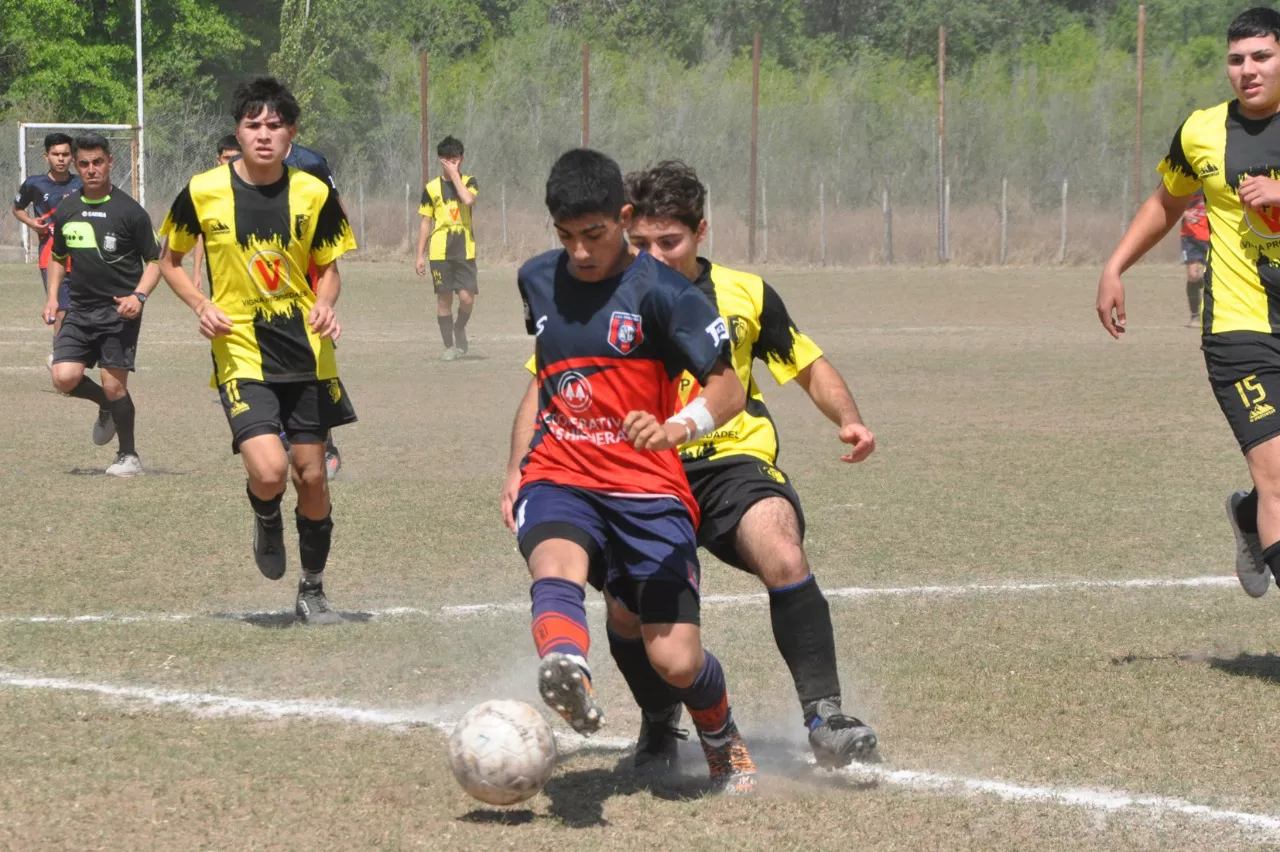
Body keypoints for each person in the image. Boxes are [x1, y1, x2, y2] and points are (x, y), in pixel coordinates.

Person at [503, 148, 756, 794]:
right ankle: (567, 664)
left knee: (674, 658)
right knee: (555, 564)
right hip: (561, 471)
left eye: (594, 235)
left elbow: (725, 390)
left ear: (622, 217)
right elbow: (546, 379)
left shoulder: (666, 293)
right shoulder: (536, 280)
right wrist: (515, 471)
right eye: (566, 237)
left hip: (647, 487)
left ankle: (719, 730)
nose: (580, 252)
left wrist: (675, 428)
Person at [157, 76, 357, 625]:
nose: (264, 134)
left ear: (291, 133)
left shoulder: (314, 193)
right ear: (238, 132)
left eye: (275, 125)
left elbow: (331, 271)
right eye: (253, 125)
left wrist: (325, 303)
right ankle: (265, 514)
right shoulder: (201, 191)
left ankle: (312, 589)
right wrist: (201, 304)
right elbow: (170, 262)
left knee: (312, 476)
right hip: (239, 348)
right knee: (270, 472)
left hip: (306, 351)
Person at [1096, 7, 1280, 601]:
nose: (1247, 70)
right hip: (1239, 328)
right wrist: (1114, 265)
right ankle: (1264, 506)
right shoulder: (1202, 130)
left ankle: (1251, 517)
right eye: (1236, 60)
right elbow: (1167, 203)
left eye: (1261, 57)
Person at [197, 132, 346, 479]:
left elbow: (334, 216)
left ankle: (324, 443)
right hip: (247, 308)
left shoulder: (310, 165)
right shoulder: (221, 189)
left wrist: (324, 296)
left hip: (300, 292)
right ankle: (275, 441)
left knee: (310, 372)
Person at [44, 132, 160, 477]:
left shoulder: (130, 212)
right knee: (64, 377)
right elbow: (58, 256)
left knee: (114, 384)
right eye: (84, 164)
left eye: (98, 162)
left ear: (110, 162)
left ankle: (129, 456)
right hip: (79, 309)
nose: (91, 169)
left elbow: (155, 260)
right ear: (76, 167)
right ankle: (105, 407)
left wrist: (138, 296)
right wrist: (52, 296)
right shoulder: (67, 208)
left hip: (118, 311)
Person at [13, 132, 81, 339]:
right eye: (55, 154)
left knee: (81, 310)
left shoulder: (82, 183)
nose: (61, 159)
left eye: (65, 154)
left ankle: (74, 359)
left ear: (73, 157)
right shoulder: (35, 184)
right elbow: (17, 208)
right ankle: (61, 357)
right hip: (50, 255)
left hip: (82, 254)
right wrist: (32, 223)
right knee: (60, 310)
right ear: (46, 156)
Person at [415, 136, 478, 361]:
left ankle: (459, 328)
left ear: (461, 159)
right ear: (440, 160)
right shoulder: (431, 188)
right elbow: (425, 222)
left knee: (467, 298)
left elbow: (468, 200)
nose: (452, 163)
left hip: (465, 251)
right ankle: (449, 346)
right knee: (444, 300)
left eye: (455, 159)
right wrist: (419, 255)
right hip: (439, 252)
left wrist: (454, 176)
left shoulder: (470, 182)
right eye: (447, 160)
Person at [190, 134, 243, 292]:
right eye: (227, 158)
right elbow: (201, 234)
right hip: (219, 268)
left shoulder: (254, 188)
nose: (231, 163)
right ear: (218, 160)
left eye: (237, 157)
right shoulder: (207, 190)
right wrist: (196, 272)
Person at [1180, 188, 1210, 328]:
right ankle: (1195, 316)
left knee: (1213, 276)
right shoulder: (1190, 186)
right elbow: (1173, 204)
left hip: (1211, 236)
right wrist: (1185, 213)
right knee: (1193, 275)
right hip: (1190, 236)